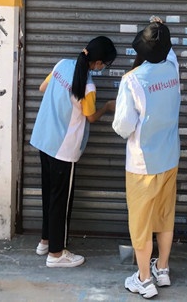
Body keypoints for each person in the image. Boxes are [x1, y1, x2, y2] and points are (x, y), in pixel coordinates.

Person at [30, 36, 117, 268]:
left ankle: (45, 241)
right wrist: (107, 107)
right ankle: (56, 254)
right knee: (61, 200)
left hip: (44, 138)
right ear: (97, 63)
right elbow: (91, 117)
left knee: (49, 194)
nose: (103, 68)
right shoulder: (88, 86)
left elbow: (42, 87)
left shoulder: (61, 65)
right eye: (104, 64)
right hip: (63, 148)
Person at [112, 18, 181, 299]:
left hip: (142, 164)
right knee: (165, 216)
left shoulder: (132, 80)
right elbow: (169, 51)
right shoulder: (173, 69)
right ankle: (162, 269)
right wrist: (160, 29)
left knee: (140, 224)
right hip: (170, 157)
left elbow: (123, 126)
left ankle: (144, 279)